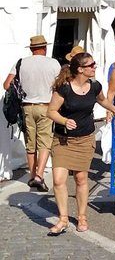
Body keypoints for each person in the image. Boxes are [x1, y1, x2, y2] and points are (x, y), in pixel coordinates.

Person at [46, 53, 115, 235]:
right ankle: (63, 218)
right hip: (63, 140)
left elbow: (102, 100)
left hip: (85, 139)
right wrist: (64, 121)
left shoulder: (95, 86)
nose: (95, 67)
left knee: (81, 179)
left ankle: (82, 216)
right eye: (91, 65)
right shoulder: (64, 88)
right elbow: (51, 111)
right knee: (58, 180)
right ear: (80, 69)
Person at [3, 35, 61, 192]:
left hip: (27, 106)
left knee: (30, 143)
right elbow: (60, 84)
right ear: (45, 48)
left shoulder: (21, 63)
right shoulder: (53, 63)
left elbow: (7, 84)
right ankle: (39, 176)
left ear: (31, 49)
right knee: (44, 142)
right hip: (47, 106)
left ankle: (32, 175)